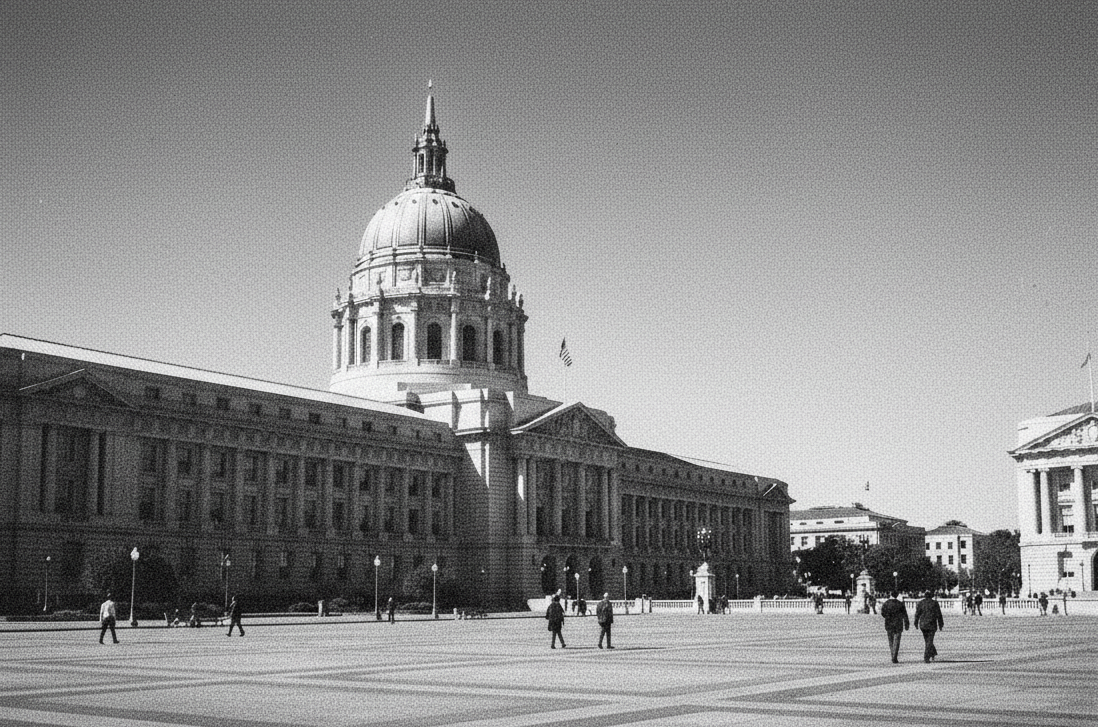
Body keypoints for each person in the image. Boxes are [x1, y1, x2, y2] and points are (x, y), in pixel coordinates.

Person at [913, 590, 944, 663]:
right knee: (929, 641)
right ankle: (926, 657)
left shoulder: (921, 603)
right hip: (932, 624)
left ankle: (932, 652)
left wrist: (916, 622)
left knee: (927, 640)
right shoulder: (934, 603)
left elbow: (917, 614)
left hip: (923, 625)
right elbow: (939, 614)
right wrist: (940, 624)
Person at [879, 590, 909, 663]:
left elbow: (882, 613)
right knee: (897, 641)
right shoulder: (900, 604)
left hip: (889, 624)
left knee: (891, 641)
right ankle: (894, 656)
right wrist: (906, 624)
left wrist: (887, 617)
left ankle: (892, 654)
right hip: (898, 624)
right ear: (897, 595)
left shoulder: (886, 603)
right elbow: (905, 615)